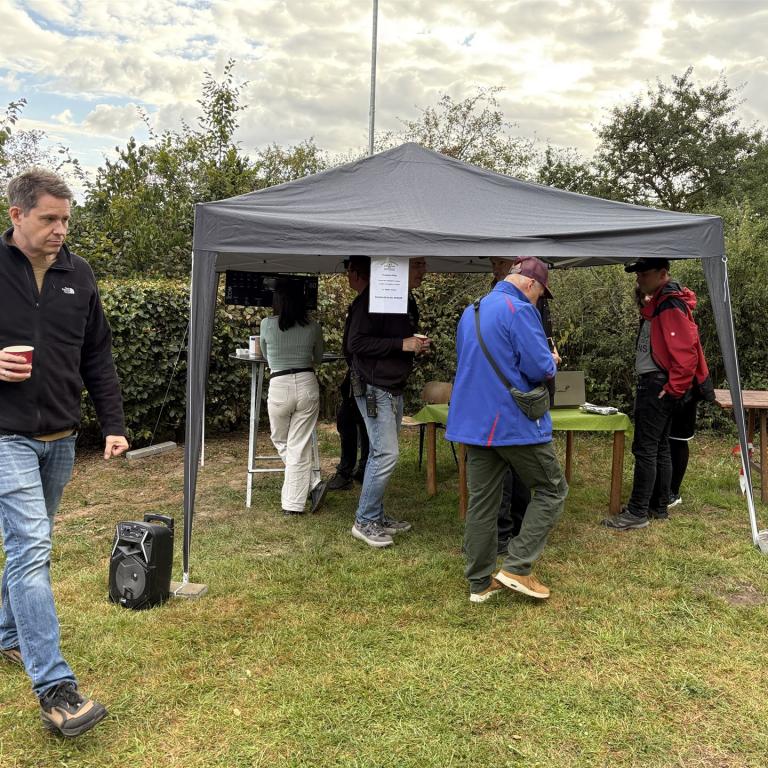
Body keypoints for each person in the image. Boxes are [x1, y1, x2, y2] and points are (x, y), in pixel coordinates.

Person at [0, 169, 128, 737]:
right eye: (49, 218)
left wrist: (114, 425)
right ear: (17, 215)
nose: (60, 229)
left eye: (66, 219)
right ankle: (56, 690)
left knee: (29, 545)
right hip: (5, 436)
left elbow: (97, 354)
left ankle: (8, 634)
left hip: (60, 440)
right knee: (32, 548)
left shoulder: (80, 274)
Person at [446, 256, 568, 603]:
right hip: (512, 422)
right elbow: (539, 368)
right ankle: (517, 567)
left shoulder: (471, 310)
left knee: (482, 503)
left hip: (474, 423)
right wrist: (552, 361)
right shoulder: (520, 310)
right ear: (530, 283)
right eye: (541, 293)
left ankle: (479, 584)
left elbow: (470, 362)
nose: (539, 300)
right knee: (552, 489)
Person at [602, 258, 712, 530]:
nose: (638, 278)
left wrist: (672, 389)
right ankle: (658, 506)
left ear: (663, 274)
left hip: (657, 385)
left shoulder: (670, 305)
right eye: (637, 273)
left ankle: (638, 512)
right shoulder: (663, 302)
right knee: (660, 447)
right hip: (658, 383)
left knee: (645, 448)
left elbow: (686, 354)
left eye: (644, 273)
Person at [346, 257, 429, 548]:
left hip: (392, 386)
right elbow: (355, 343)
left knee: (380, 453)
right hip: (374, 387)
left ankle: (376, 516)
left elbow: (391, 338)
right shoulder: (371, 298)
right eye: (418, 265)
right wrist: (401, 344)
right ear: (401, 266)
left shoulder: (403, 299)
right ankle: (364, 521)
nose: (423, 271)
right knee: (386, 454)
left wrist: (414, 345)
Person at [260, 279, 326, 515]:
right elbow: (318, 358)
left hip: (280, 384)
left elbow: (266, 356)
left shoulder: (266, 324)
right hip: (307, 382)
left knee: (280, 440)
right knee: (299, 443)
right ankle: (311, 485)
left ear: (277, 300)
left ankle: (297, 501)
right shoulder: (313, 326)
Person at [327, 257, 370, 491]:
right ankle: (357, 469)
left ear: (356, 273)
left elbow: (356, 343)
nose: (347, 275)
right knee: (352, 420)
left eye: (349, 270)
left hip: (363, 374)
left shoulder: (366, 301)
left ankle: (351, 470)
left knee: (354, 421)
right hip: (357, 373)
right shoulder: (363, 300)